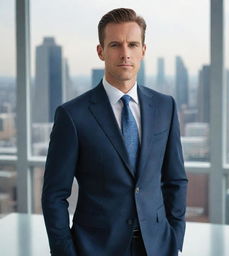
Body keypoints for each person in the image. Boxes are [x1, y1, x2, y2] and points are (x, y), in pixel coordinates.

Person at [42, 8, 188, 256]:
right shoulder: (73, 116)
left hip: (158, 247)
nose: (125, 54)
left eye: (133, 44)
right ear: (101, 51)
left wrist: (174, 239)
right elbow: (54, 195)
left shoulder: (165, 106)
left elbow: (175, 180)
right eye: (115, 45)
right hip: (96, 248)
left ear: (143, 50)